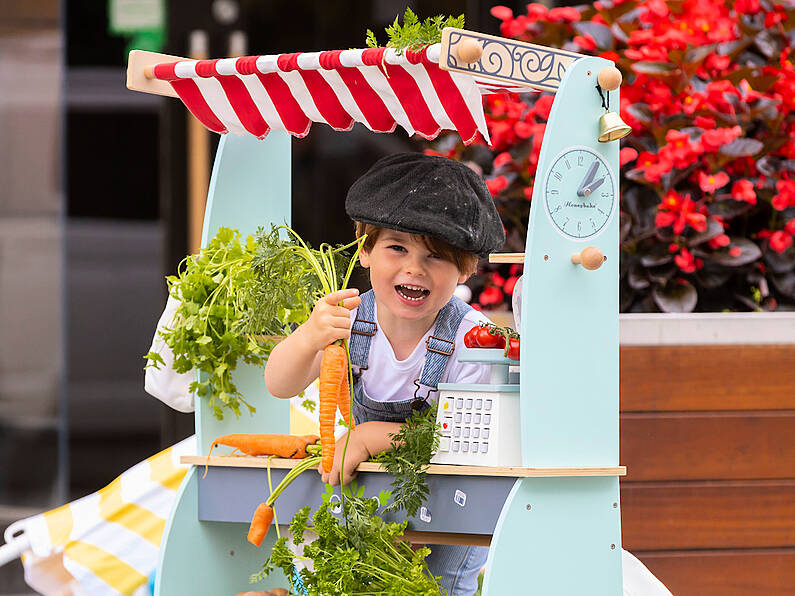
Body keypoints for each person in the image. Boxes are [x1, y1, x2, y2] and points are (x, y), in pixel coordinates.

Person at [264, 152, 504, 596]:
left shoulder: (475, 341)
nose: (414, 268)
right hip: (370, 506)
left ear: (466, 269)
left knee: (437, 591)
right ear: (366, 250)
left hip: (450, 513)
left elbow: (467, 443)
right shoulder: (348, 321)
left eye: (437, 256)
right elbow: (279, 384)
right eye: (398, 247)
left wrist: (372, 435)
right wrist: (306, 339)